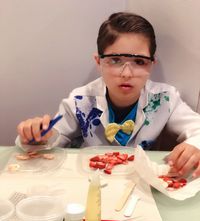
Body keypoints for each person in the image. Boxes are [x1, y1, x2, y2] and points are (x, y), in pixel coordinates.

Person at [16, 12, 200, 177]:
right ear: (99, 61)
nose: (126, 73)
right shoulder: (80, 100)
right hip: (89, 178)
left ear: (151, 64)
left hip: (138, 185)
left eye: (139, 61)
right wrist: (37, 136)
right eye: (115, 60)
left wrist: (195, 146)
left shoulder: (165, 98)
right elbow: (54, 140)